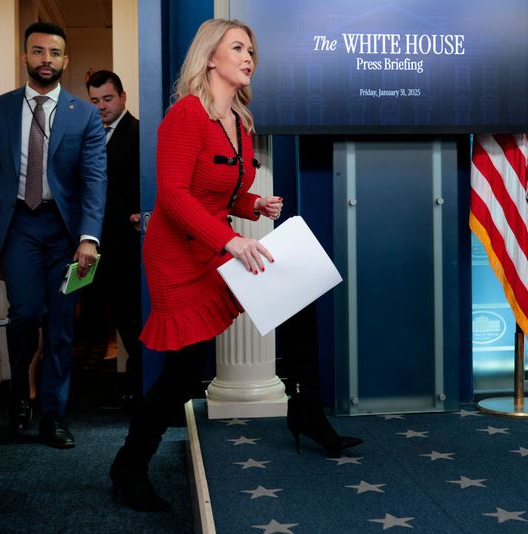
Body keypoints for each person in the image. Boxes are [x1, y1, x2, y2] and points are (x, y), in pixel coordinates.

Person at [109, 18, 362, 512]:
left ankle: (306, 411)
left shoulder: (240, 121)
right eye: (238, 48)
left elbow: (221, 190)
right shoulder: (186, 115)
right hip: (178, 255)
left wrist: (254, 206)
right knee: (183, 374)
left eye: (252, 50)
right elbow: (174, 197)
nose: (249, 57)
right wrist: (231, 241)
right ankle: (129, 466)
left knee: (297, 291)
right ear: (210, 57)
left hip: (216, 246)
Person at [0, 21, 107, 449]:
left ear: (65, 61)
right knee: (25, 313)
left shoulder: (84, 114)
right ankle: (19, 392)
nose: (45, 60)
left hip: (65, 231)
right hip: (19, 227)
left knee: (60, 325)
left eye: (54, 54)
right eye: (38, 52)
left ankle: (52, 412)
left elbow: (93, 180)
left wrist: (89, 237)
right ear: (25, 57)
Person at [83, 70, 143, 408]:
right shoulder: (90, 134)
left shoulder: (138, 133)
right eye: (95, 101)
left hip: (126, 241)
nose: (102, 106)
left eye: (107, 99)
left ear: (123, 97)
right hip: (94, 241)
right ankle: (109, 383)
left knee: (132, 316)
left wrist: (139, 212)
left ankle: (139, 386)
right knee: (101, 312)